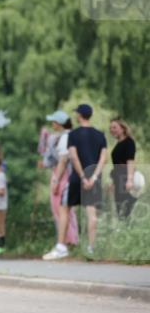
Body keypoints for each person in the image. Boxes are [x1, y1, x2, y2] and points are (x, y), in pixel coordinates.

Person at [66, 104, 107, 258]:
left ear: (79, 115)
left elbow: (73, 156)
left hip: (78, 178)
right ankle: (91, 247)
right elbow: (103, 158)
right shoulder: (100, 135)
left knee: (65, 210)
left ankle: (64, 245)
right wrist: (94, 177)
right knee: (92, 214)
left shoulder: (73, 134)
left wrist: (83, 177)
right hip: (94, 178)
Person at [41, 111, 79, 260]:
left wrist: (56, 180)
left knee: (63, 209)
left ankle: (67, 243)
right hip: (61, 174)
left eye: (54, 122)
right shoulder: (60, 137)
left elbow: (62, 161)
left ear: (59, 123)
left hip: (63, 175)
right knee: (61, 209)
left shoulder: (65, 138)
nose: (52, 124)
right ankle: (66, 242)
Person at [108, 118, 137, 219]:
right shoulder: (119, 143)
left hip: (124, 176)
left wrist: (130, 180)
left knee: (124, 206)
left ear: (123, 128)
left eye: (115, 127)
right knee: (119, 206)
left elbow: (130, 161)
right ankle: (123, 225)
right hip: (118, 177)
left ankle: (127, 225)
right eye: (110, 128)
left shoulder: (129, 142)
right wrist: (113, 181)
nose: (112, 130)